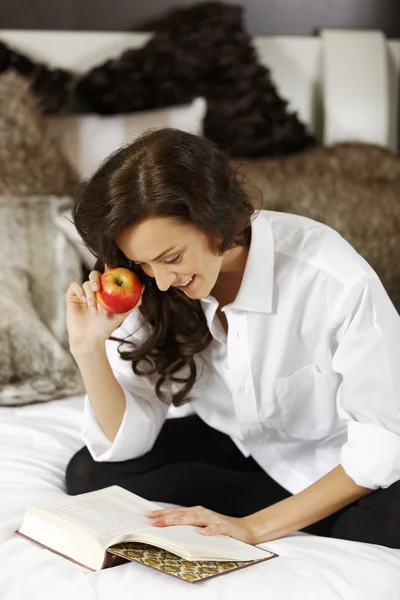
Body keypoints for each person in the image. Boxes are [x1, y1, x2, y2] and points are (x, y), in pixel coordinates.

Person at [65, 128, 400, 549]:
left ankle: (277, 518)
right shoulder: (151, 286)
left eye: (172, 258)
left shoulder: (331, 279)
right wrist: (87, 348)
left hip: (337, 464)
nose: (164, 281)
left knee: (383, 526)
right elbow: (127, 441)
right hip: (248, 448)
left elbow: (383, 444)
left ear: (215, 217)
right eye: (144, 264)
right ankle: (264, 515)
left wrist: (253, 528)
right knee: (89, 476)